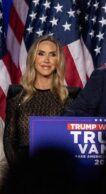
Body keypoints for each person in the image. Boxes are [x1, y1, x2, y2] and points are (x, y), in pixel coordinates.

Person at [3, 35, 80, 167]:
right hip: (23, 172)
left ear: (58, 61)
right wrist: (20, 174)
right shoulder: (17, 96)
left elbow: (73, 143)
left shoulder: (70, 98)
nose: (46, 60)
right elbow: (9, 141)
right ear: (33, 58)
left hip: (57, 171)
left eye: (52, 55)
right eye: (41, 54)